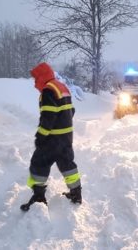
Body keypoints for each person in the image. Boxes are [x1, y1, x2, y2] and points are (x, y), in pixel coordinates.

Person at [21, 62, 81, 211]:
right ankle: (76, 194)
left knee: (39, 163)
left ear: (41, 77)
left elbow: (48, 117)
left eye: (36, 78)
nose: (35, 82)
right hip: (66, 137)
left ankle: (39, 198)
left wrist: (40, 136)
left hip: (52, 138)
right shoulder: (61, 87)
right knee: (67, 164)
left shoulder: (48, 90)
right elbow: (71, 110)